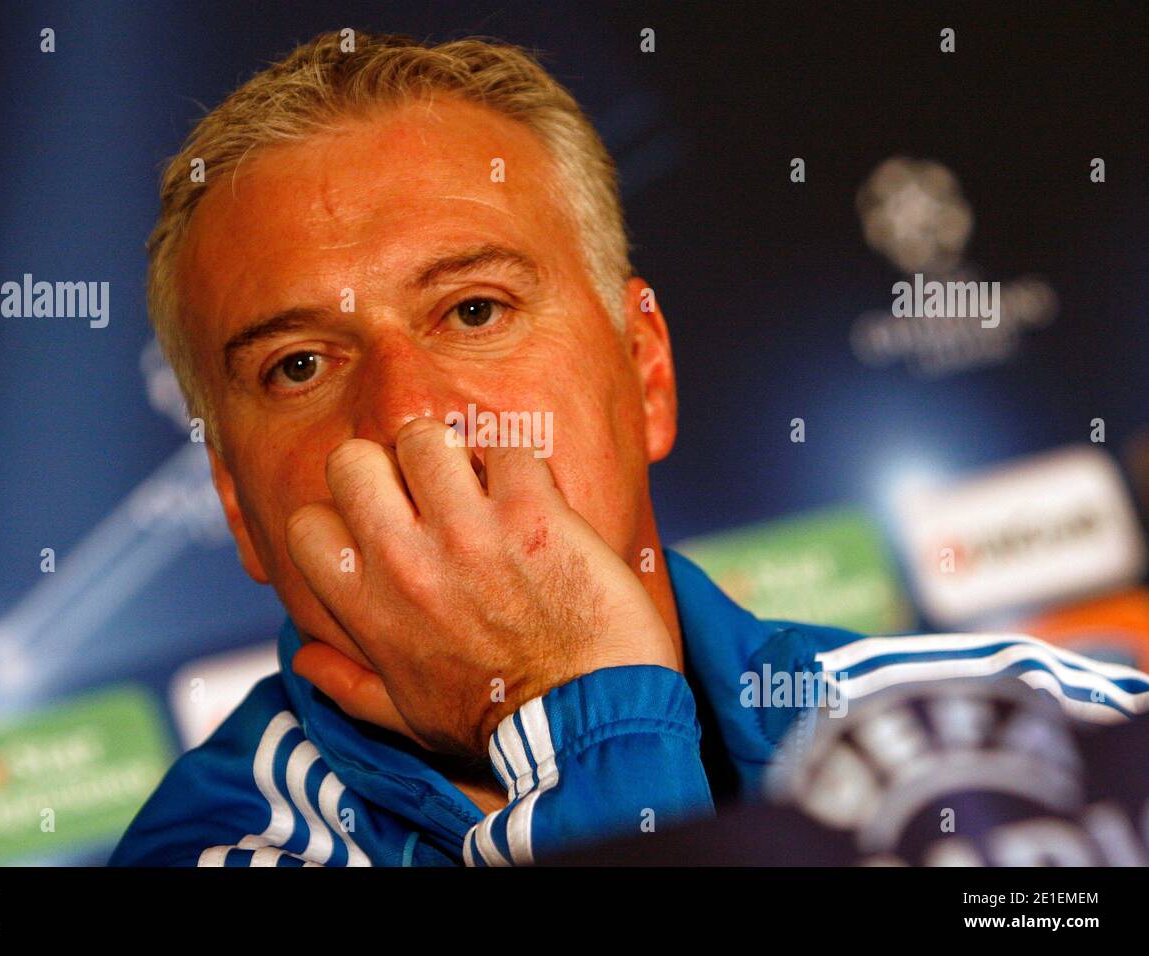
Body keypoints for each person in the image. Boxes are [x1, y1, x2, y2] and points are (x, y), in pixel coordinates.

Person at [110, 31, 1148, 866]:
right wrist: (582, 709)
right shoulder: (213, 849)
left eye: (474, 308)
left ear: (644, 371)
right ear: (238, 506)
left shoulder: (1051, 730)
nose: (411, 414)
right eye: (299, 365)